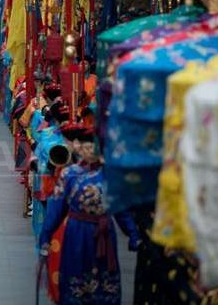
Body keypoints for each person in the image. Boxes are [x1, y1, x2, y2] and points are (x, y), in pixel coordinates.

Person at [39, 129, 140, 304]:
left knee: (105, 279)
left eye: (93, 147)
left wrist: (133, 234)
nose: (90, 151)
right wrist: (45, 236)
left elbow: (121, 209)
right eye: (86, 147)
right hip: (77, 232)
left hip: (104, 233)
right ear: (79, 148)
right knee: (75, 275)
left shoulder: (111, 175)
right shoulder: (69, 174)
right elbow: (56, 208)